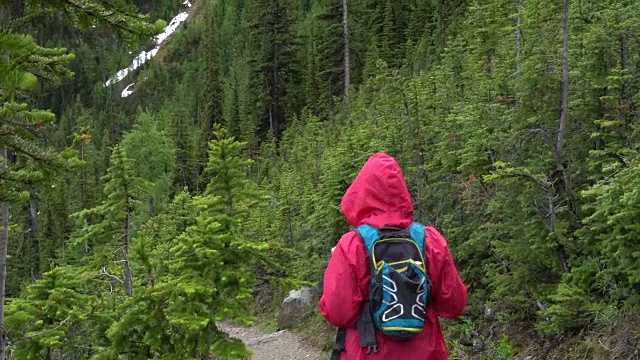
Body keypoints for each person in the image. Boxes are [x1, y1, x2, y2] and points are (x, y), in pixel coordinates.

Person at [319, 153, 467, 359]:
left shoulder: (351, 245)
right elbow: (454, 305)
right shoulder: (431, 240)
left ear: (361, 193)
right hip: (426, 353)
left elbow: (338, 313)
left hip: (368, 352)